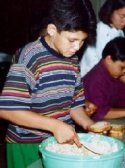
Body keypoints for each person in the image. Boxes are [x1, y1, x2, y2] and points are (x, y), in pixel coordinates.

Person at [0, 0, 97, 168]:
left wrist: (89, 124)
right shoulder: (30, 56)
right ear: (52, 30)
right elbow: (8, 110)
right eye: (72, 40)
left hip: (58, 143)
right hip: (26, 143)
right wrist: (55, 125)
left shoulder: (72, 60)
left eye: (82, 41)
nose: (77, 47)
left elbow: (73, 105)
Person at [83, 37, 125, 122]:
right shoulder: (96, 79)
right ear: (109, 59)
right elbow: (101, 113)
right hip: (92, 122)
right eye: (122, 67)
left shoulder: (115, 73)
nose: (124, 71)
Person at [80, 0, 125, 77]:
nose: (124, 21)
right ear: (110, 12)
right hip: (92, 75)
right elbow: (105, 63)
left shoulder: (120, 32)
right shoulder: (101, 30)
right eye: (122, 16)